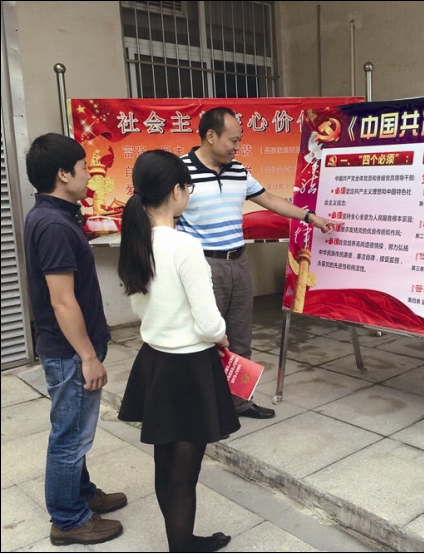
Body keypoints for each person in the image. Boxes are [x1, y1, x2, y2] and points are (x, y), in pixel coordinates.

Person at [177, 106, 337, 419]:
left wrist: (310, 217)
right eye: (232, 140)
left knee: (240, 337)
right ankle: (201, 409)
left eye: (239, 140)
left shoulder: (238, 170)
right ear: (210, 136)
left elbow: (271, 200)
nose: (237, 147)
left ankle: (239, 403)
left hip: (238, 262)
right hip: (201, 266)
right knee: (202, 338)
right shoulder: (180, 172)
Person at [117, 150, 239, 553]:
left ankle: (181, 542)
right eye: (188, 187)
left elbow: (139, 308)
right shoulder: (184, 245)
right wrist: (221, 336)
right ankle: (182, 546)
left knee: (165, 462)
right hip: (189, 368)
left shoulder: (137, 241)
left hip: (154, 362)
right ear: (176, 191)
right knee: (185, 473)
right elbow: (209, 322)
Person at [23, 133, 127, 546]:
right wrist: (87, 356)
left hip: (68, 349)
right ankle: (68, 520)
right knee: (70, 436)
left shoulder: (55, 216)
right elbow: (62, 300)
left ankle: (81, 494)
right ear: (63, 174)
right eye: (84, 168)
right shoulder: (52, 225)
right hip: (69, 353)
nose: (89, 175)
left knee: (74, 429)